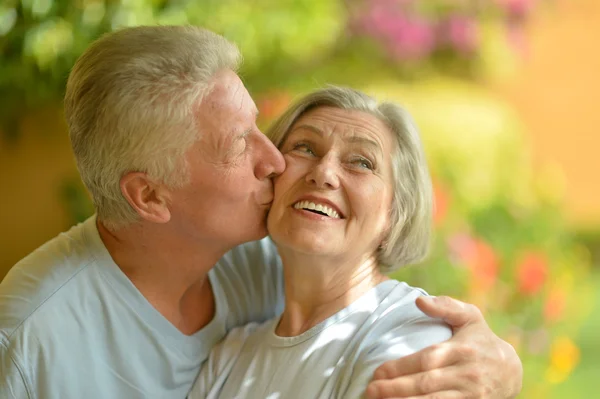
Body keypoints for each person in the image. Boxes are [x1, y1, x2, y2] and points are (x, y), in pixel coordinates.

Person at [0, 25, 522, 398]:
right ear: (151, 197)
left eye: (261, 128)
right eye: (236, 146)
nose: (274, 161)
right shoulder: (30, 342)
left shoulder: (270, 259)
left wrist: (503, 368)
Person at [189, 86, 453, 398]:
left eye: (362, 162)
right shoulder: (230, 356)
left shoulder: (409, 333)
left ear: (396, 213)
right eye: (305, 148)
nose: (323, 173)